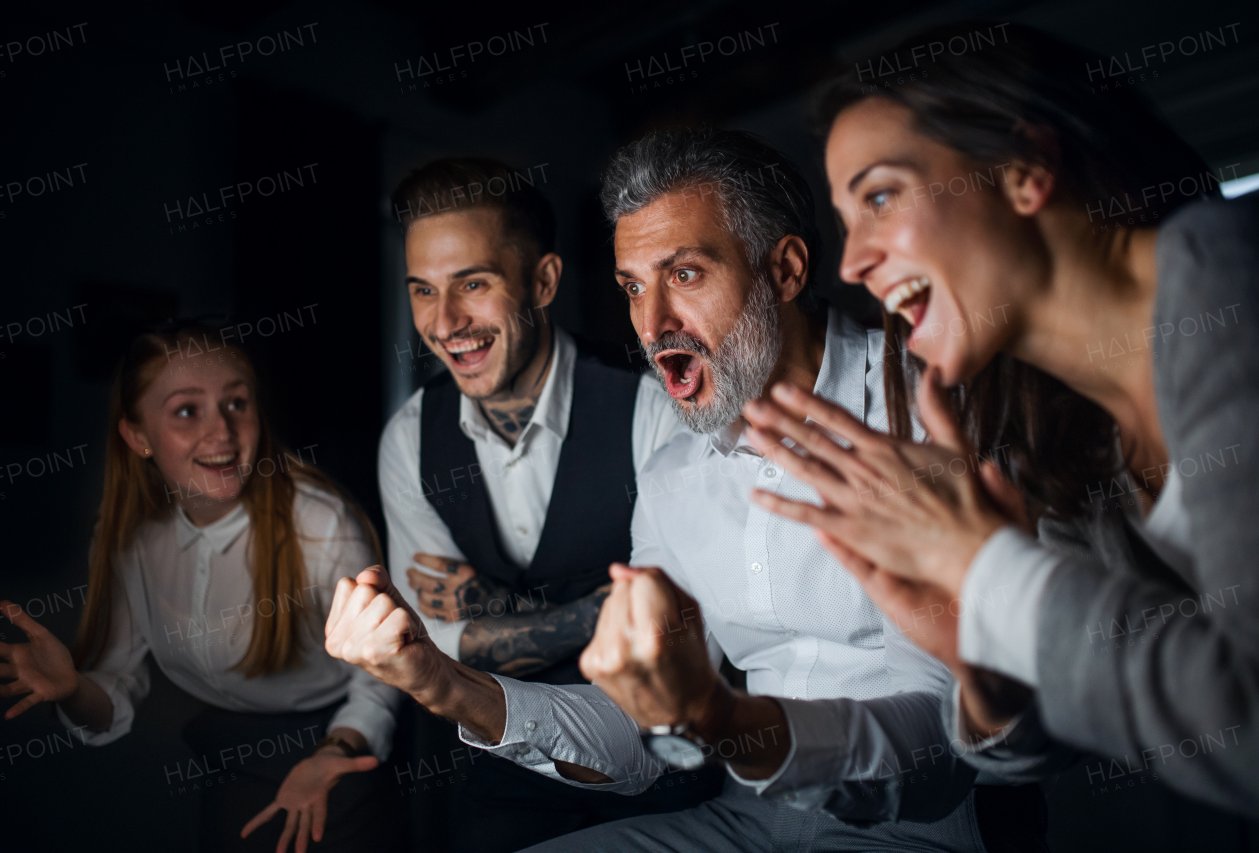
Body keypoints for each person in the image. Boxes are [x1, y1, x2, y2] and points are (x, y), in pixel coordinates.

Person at [327, 129, 1049, 852]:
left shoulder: (924, 413)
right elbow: (642, 733)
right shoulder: (675, 465)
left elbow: (943, 744)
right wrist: (440, 681)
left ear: (787, 269)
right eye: (634, 285)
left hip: (924, 829)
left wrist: (721, 721)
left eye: (687, 275)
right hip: (747, 819)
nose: (651, 324)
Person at [742, 22, 1259, 817]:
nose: (850, 263)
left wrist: (987, 569)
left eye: (879, 196)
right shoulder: (1066, 431)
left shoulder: (1227, 273)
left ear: (1024, 168)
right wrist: (978, 656)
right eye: (847, 221)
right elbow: (1060, 730)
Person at [378, 157, 718, 851]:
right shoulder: (410, 437)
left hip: (665, 769)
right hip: (506, 766)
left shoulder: (652, 408)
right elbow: (439, 640)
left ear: (543, 281)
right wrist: (604, 608)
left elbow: (691, 628)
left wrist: (495, 609)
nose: (444, 322)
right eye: (422, 290)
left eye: (473, 283)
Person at [0, 323, 402, 852]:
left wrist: (334, 753)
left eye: (236, 404)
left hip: (339, 743)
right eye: (186, 410)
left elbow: (384, 673)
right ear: (136, 436)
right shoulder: (124, 540)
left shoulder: (321, 524)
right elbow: (114, 691)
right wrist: (73, 691)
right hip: (223, 749)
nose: (222, 432)